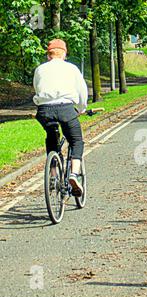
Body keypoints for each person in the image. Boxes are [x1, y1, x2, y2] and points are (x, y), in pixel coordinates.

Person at [33, 39, 88, 197]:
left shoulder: (40, 69)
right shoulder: (72, 69)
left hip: (44, 110)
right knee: (76, 141)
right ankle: (73, 175)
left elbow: (37, 89)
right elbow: (82, 92)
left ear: (49, 55)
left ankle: (53, 174)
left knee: (51, 138)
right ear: (64, 54)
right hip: (65, 108)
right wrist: (81, 108)